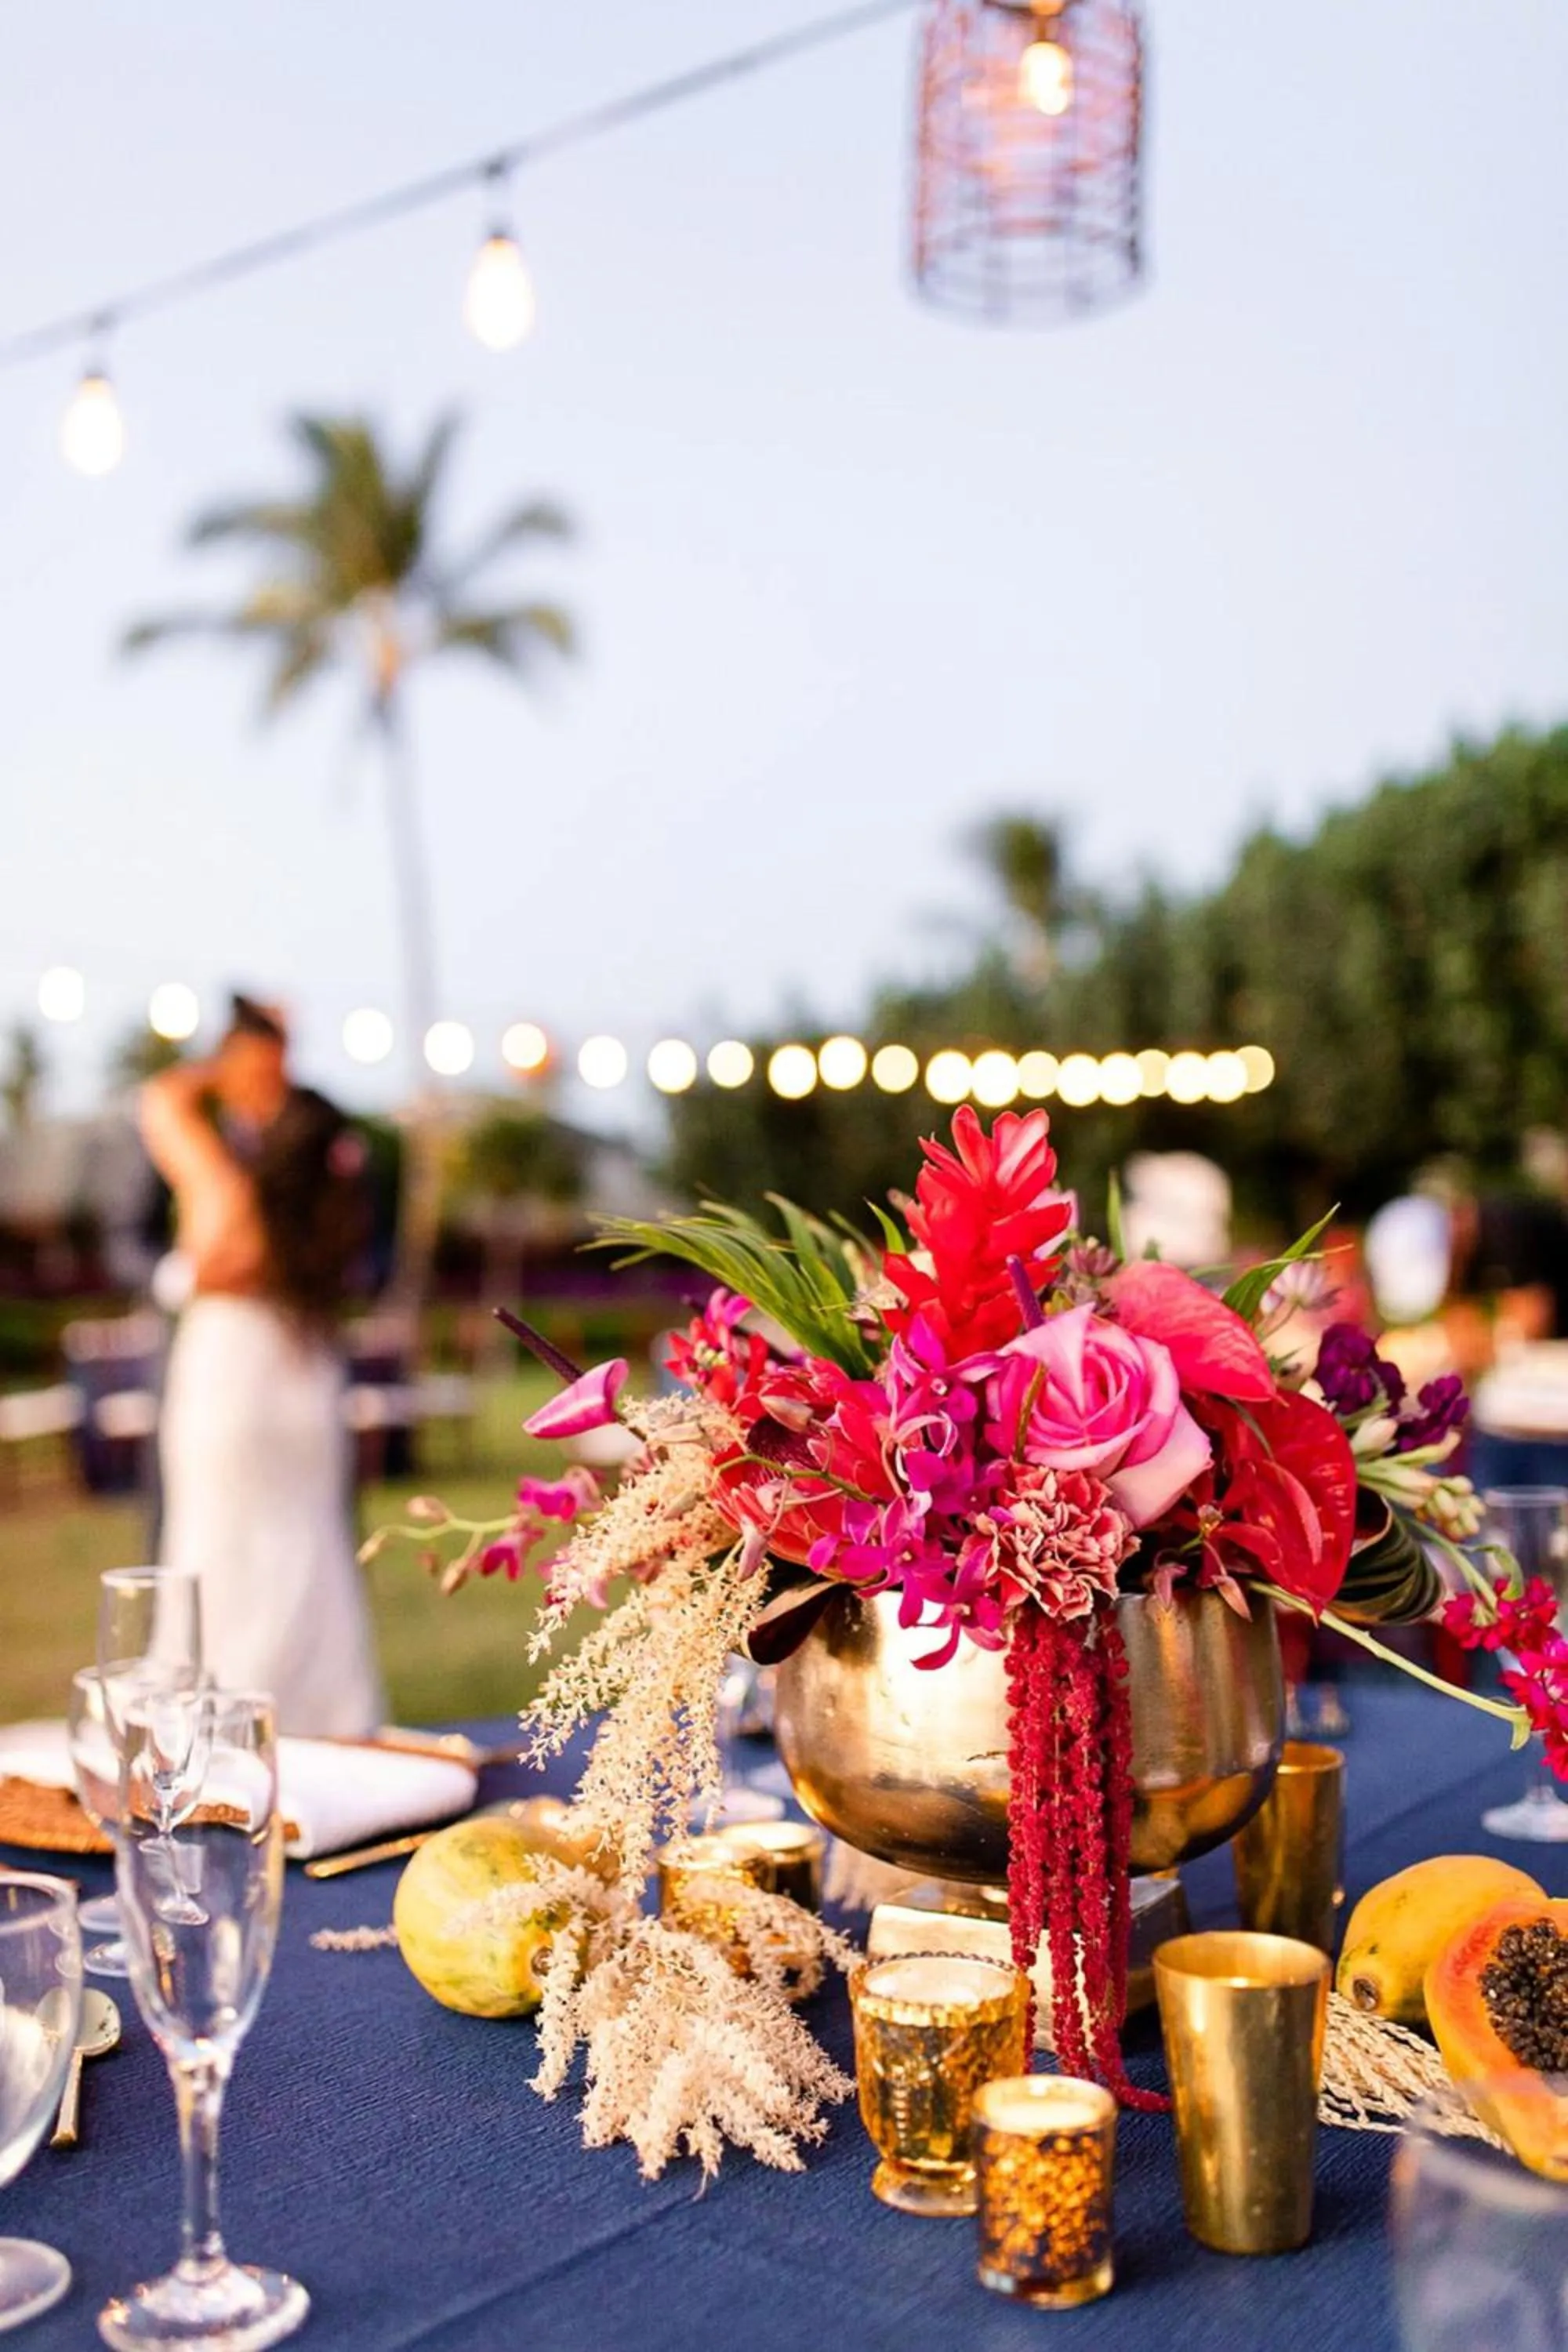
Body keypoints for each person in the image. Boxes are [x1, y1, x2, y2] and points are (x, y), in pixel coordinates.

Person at [139, 996, 385, 1736]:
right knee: (307, 1547)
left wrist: (214, 1075)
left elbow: (161, 1100)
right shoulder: (322, 1149)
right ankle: (325, 1722)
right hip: (303, 1368)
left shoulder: (225, 1171)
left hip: (233, 1372)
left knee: (218, 1547)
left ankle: (214, 1734)